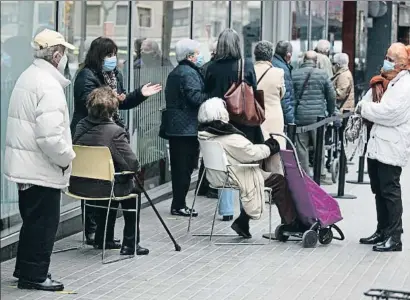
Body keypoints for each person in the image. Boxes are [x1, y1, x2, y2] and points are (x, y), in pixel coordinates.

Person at [4, 29, 76, 291]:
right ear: (56, 55)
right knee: (44, 223)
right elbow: (50, 137)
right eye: (64, 53)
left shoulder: (30, 76)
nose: (66, 58)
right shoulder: (48, 85)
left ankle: (25, 267)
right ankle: (34, 275)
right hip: (40, 168)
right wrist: (67, 158)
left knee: (32, 220)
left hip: (27, 166)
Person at [72, 37, 161, 247]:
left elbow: (121, 101)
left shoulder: (114, 74)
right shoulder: (86, 75)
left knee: (110, 181)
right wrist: (113, 99)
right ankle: (100, 233)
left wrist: (139, 94)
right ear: (98, 55)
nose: (113, 59)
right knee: (108, 182)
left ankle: (104, 236)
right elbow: (93, 103)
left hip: (106, 131)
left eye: (114, 54)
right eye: (108, 55)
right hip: (98, 134)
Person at [197, 98, 297, 237]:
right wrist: (269, 147)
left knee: (254, 182)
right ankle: (290, 224)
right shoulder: (228, 138)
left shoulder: (205, 134)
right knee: (278, 181)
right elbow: (251, 153)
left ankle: (242, 222)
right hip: (235, 175)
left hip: (218, 175)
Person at [69, 87, 148, 256]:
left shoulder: (80, 125)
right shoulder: (114, 132)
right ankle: (130, 243)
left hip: (80, 185)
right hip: (103, 188)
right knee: (132, 188)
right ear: (113, 109)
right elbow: (132, 164)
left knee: (109, 180)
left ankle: (103, 238)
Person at [356, 43, 410, 252]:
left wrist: (365, 109)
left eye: (389, 58)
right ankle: (382, 230)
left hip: (391, 145)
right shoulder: (387, 82)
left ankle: (394, 237)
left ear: (400, 64)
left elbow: (389, 113)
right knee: (378, 190)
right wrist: (367, 104)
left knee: (390, 191)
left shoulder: (404, 86)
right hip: (378, 145)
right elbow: (368, 102)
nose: (385, 60)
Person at [162, 38, 208, 217]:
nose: (200, 56)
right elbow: (195, 98)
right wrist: (210, 96)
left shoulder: (178, 71)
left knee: (182, 167)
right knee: (184, 168)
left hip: (179, 128)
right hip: (185, 128)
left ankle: (179, 203)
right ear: (190, 56)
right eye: (197, 53)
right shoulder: (188, 73)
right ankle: (179, 204)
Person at [204, 28, 263, 144]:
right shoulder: (246, 65)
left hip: (218, 122)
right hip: (242, 119)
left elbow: (207, 93)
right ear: (237, 44)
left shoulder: (211, 68)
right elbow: (254, 89)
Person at [292, 51, 336, 178]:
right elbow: (331, 96)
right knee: (319, 146)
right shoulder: (323, 75)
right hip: (318, 118)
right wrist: (331, 111)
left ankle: (304, 175)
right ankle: (320, 174)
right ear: (316, 61)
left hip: (300, 117)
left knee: (301, 147)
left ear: (303, 60)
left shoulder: (294, 74)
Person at [254, 40, 286, 173]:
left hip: (254, 115)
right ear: (271, 56)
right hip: (273, 117)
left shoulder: (249, 70)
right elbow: (281, 94)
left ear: (255, 55)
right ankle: (275, 185)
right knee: (274, 154)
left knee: (255, 151)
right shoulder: (278, 72)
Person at [271, 41, 294, 125]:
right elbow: (286, 97)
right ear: (288, 55)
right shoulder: (283, 69)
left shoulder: (271, 62)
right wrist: (290, 119)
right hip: (279, 114)